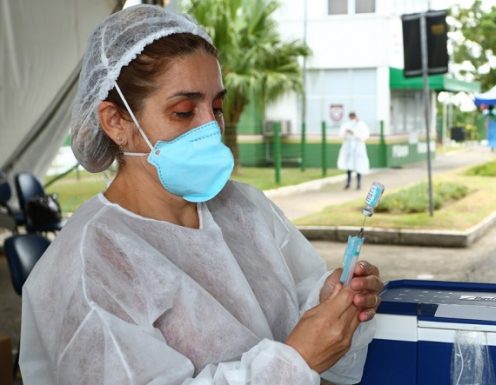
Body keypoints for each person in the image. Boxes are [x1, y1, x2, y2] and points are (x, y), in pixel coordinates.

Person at [19, 5, 382, 385]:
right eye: (183, 111)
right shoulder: (90, 266)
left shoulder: (243, 209)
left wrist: (332, 301)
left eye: (216, 107)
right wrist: (294, 361)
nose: (210, 127)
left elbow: (293, 309)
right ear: (116, 122)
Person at [337, 112, 370, 190]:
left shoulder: (361, 125)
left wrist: (354, 133)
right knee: (349, 165)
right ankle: (348, 183)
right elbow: (341, 135)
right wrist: (346, 132)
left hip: (358, 146)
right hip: (349, 146)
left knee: (359, 165)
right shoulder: (346, 125)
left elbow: (365, 136)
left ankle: (359, 183)